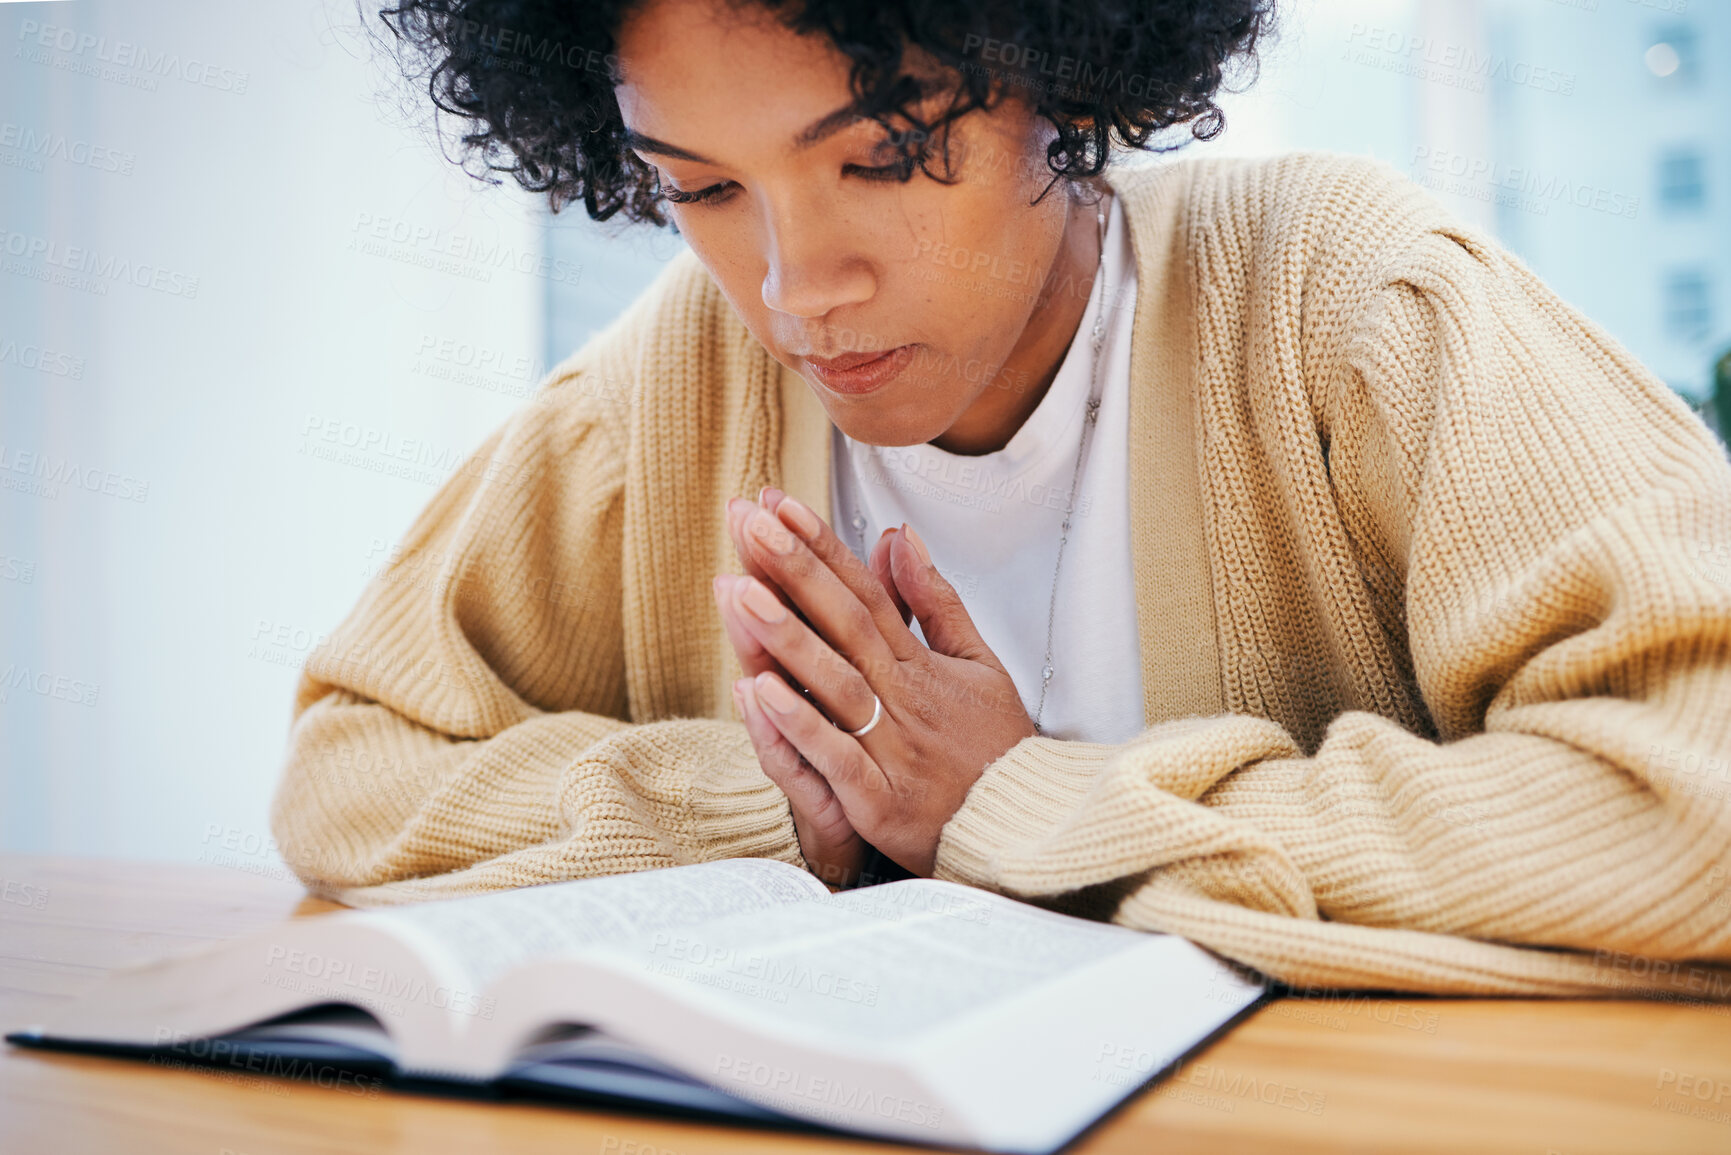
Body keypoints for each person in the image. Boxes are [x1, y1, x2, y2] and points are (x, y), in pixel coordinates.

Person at [269, 0, 1731, 998]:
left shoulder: (1341, 300)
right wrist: (795, 804)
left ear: (1072, 80)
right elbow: (354, 766)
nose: (792, 285)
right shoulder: (668, 392)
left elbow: (1694, 795)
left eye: (886, 156)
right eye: (703, 190)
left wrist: (1020, 803)